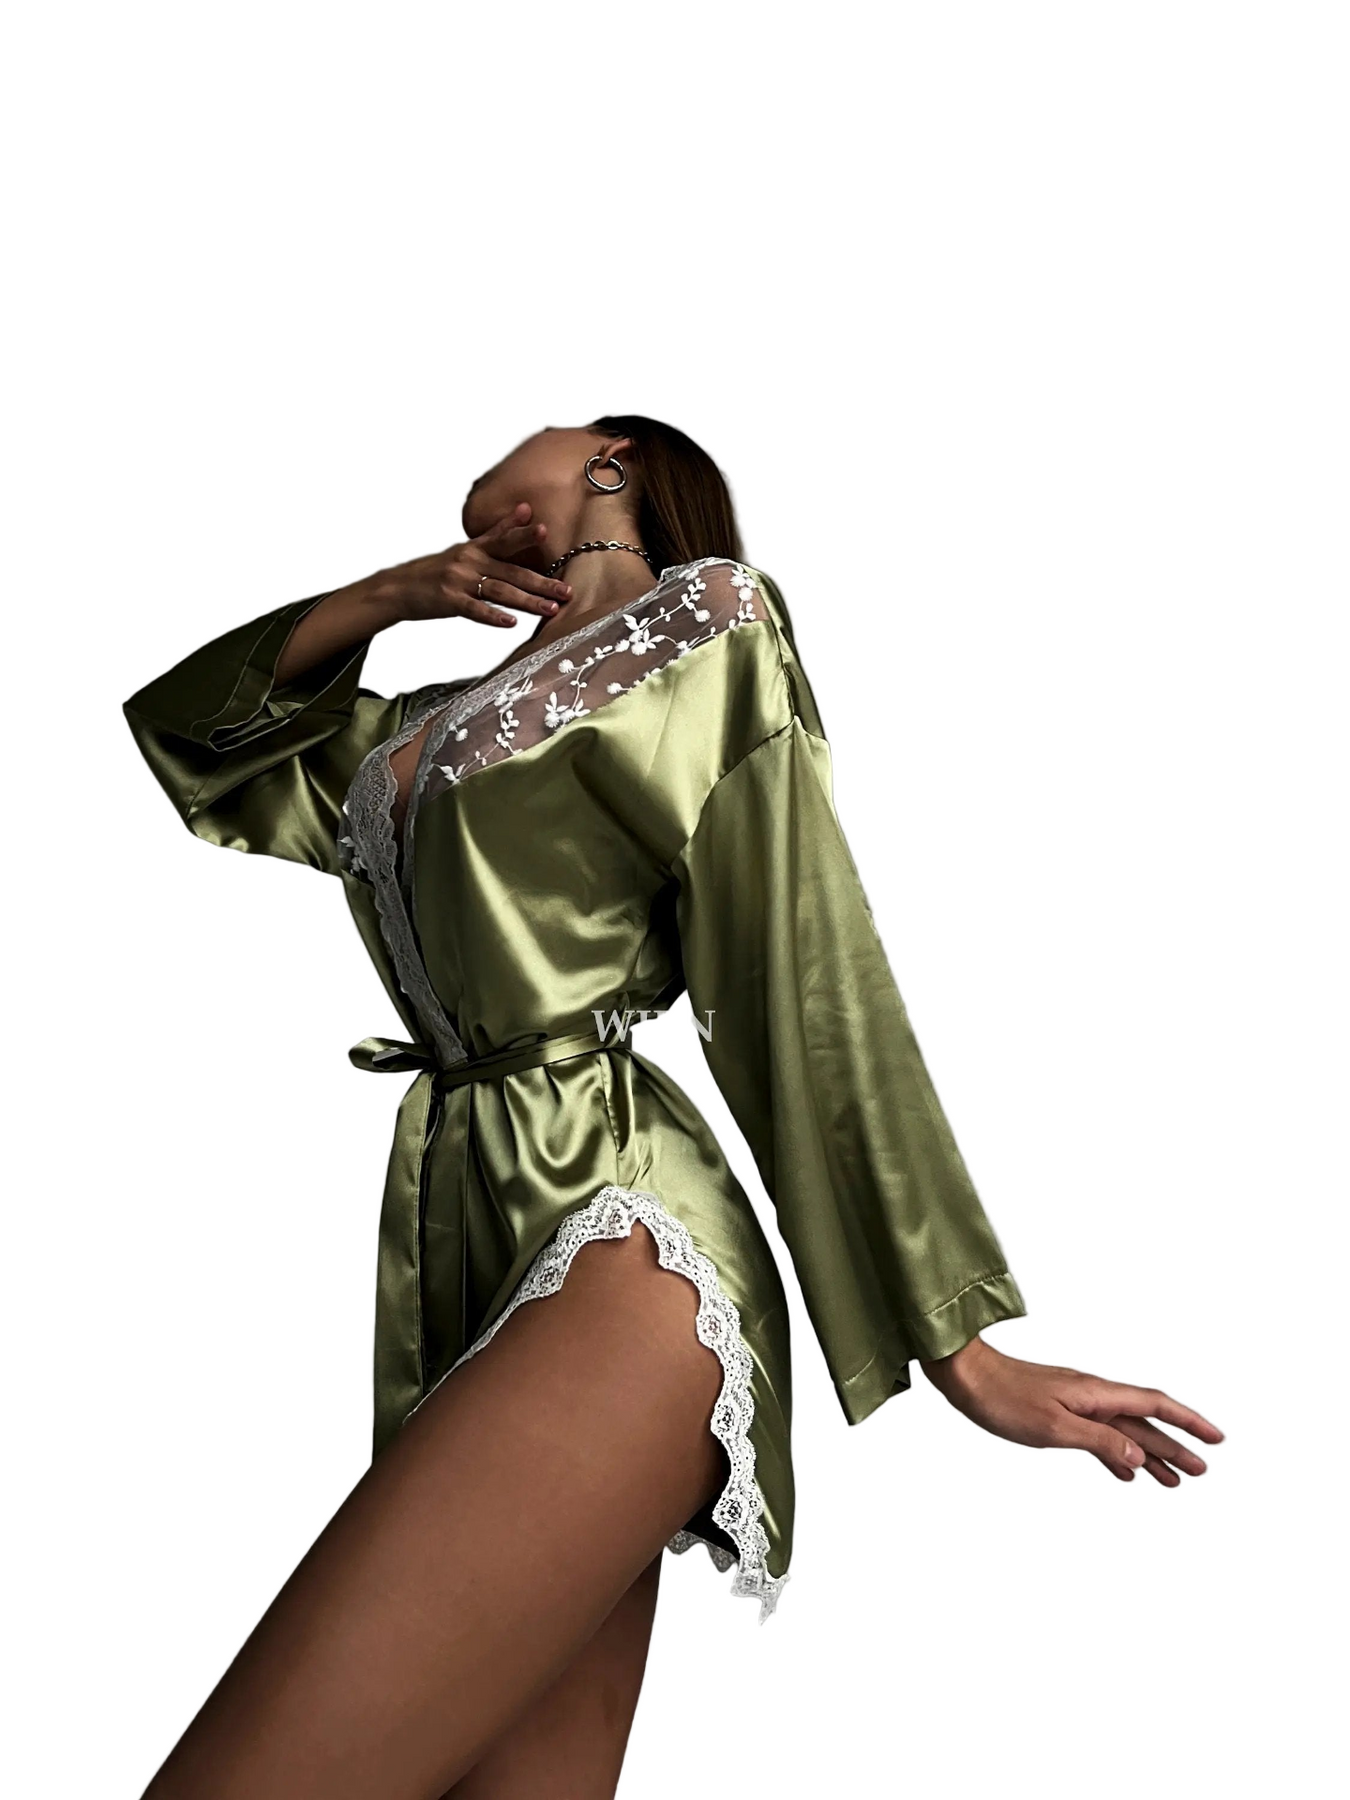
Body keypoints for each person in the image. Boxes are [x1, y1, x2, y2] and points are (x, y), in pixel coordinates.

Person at [125, 415, 1222, 1799]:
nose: (483, 462)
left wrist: (960, 1348)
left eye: (529, 432)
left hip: (621, 1235)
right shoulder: (414, 729)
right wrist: (389, 596)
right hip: (462, 1224)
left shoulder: (704, 625)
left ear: (612, 462)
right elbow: (190, 734)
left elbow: (798, 966)